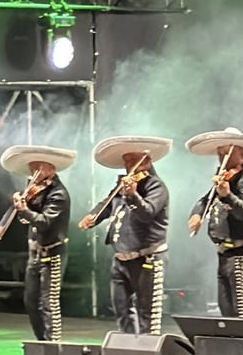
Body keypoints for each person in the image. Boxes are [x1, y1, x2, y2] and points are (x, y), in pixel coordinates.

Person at [78, 136, 171, 335]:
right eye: (126, 161)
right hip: (121, 258)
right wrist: (93, 215)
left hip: (147, 258)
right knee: (122, 311)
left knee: (148, 316)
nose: (129, 165)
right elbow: (107, 203)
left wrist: (133, 195)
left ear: (146, 161)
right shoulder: (122, 186)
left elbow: (147, 213)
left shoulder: (157, 187)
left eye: (133, 160)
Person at [186, 127, 243, 318]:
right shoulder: (224, 178)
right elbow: (205, 200)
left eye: (226, 152)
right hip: (224, 252)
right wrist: (197, 214)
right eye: (219, 152)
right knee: (226, 310)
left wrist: (227, 195)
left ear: (241, 153)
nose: (221, 156)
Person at [0, 145, 77, 341]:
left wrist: (24, 210)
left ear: (51, 169)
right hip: (35, 254)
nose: (35, 173)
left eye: (39, 168)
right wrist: (22, 205)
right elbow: (26, 219)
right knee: (31, 301)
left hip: (53, 254)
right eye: (33, 168)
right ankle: (42, 342)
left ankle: (53, 345)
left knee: (48, 303)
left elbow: (44, 222)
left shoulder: (58, 194)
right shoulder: (34, 191)